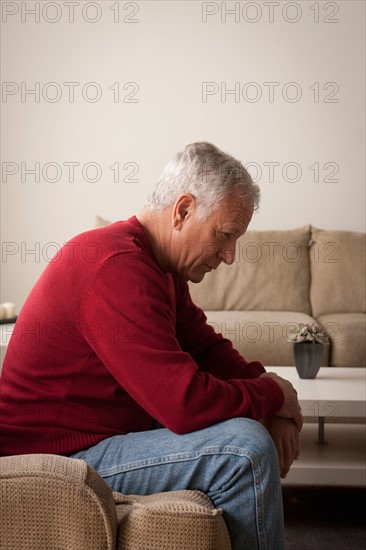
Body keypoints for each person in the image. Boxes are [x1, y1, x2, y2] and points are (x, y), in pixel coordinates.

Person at [0, 142, 302, 549]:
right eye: (225, 235)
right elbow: (184, 404)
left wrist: (274, 394)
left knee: (245, 427)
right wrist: (270, 394)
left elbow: (206, 348)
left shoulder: (158, 265)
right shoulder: (118, 267)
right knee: (246, 451)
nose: (229, 256)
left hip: (99, 434)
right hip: (57, 455)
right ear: (182, 211)